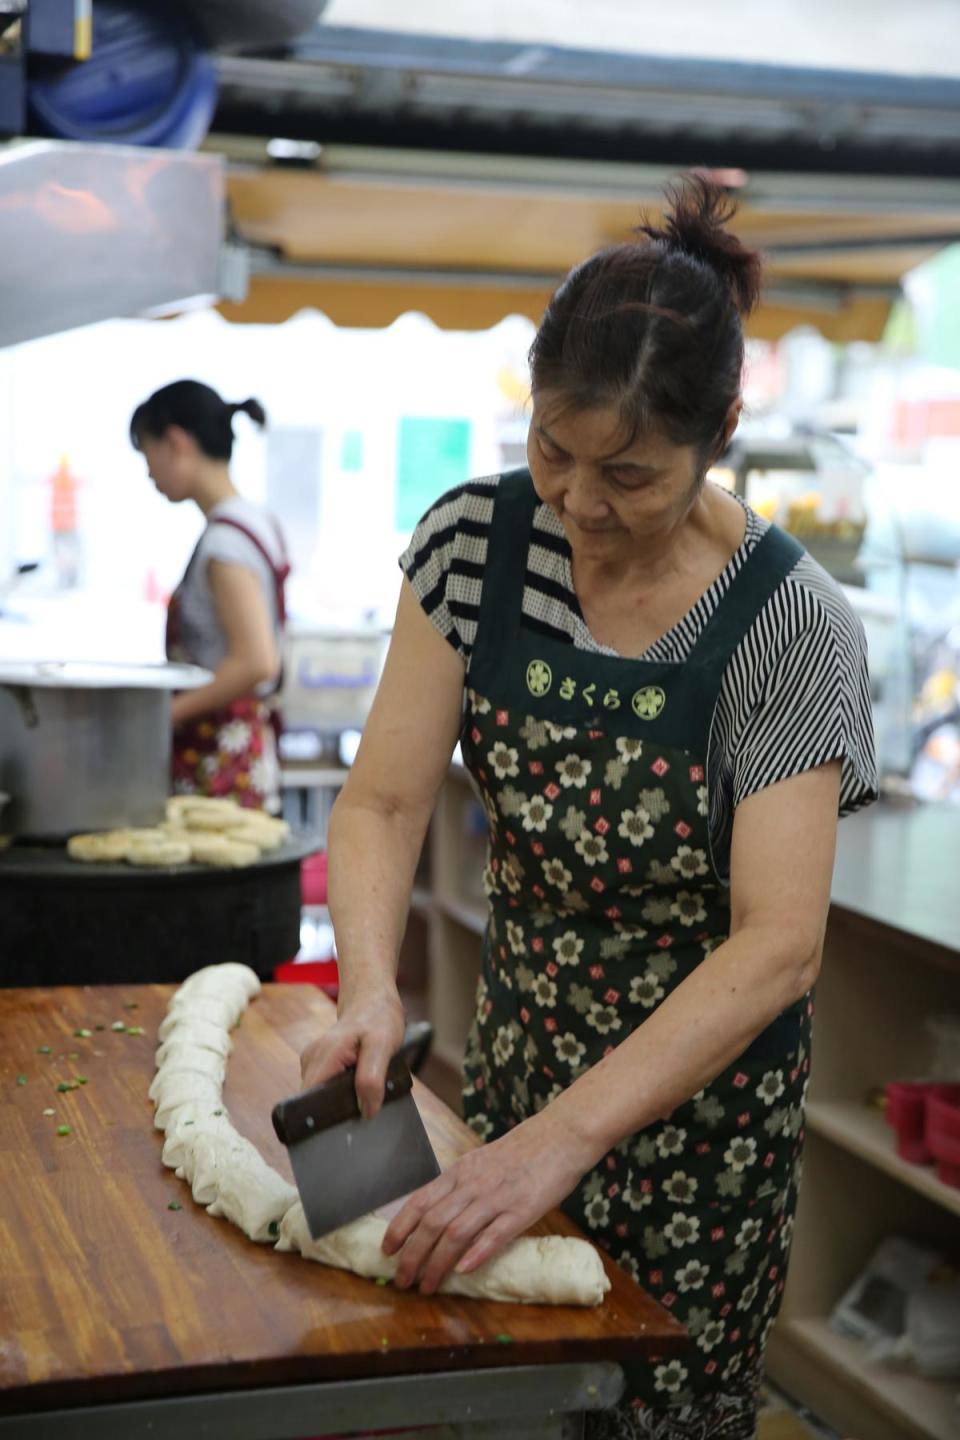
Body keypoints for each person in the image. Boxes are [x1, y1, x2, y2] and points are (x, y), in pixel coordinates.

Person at [301, 176, 877, 1438]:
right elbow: (386, 801)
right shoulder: (472, 546)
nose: (580, 504)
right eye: (552, 452)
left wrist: (566, 1143)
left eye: (630, 473)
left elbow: (777, 945)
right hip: (513, 1069)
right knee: (492, 1397)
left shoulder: (789, 627)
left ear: (722, 427)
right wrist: (367, 987)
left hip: (700, 1133)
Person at [130, 380, 289, 812]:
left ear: (176, 443)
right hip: (244, 753)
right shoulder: (258, 522)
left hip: (219, 762)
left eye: (148, 456)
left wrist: (167, 714)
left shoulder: (224, 545)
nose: (149, 474)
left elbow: (257, 660)